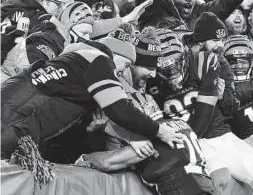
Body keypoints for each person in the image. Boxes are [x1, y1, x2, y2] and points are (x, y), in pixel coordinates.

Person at [1, 28, 184, 159]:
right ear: (117, 55)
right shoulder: (100, 61)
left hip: (14, 117)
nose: (120, 73)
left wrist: (129, 137)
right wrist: (160, 131)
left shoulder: (80, 60)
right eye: (127, 65)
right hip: (12, 121)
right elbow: (119, 109)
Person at [75, 27, 215, 195]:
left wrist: (86, 158)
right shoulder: (112, 93)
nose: (154, 74)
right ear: (130, 64)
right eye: (149, 67)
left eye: (156, 68)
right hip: (195, 182)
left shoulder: (141, 97)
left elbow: (141, 148)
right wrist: (95, 137)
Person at [147, 17, 253, 195]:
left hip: (217, 133)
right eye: (165, 69)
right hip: (187, 144)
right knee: (221, 182)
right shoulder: (149, 79)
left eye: (176, 64)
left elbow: (228, 110)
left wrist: (223, 97)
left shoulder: (205, 61)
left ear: (183, 53)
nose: (172, 73)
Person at [1, 1, 94, 84]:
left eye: (89, 35)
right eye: (84, 33)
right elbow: (29, 77)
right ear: (67, 26)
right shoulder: (46, 41)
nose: (87, 39)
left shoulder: (57, 42)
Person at [1, 0, 72, 64]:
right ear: (42, 2)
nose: (62, 7)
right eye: (58, 3)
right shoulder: (42, 18)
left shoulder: (7, 8)